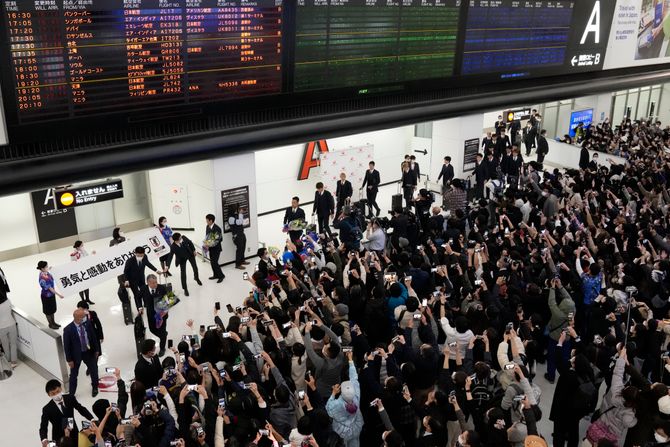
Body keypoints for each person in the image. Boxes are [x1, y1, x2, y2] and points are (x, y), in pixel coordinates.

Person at [39, 379, 94, 446]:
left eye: (58, 391)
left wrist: (91, 419)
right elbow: (43, 426)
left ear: (61, 388)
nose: (56, 394)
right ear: (49, 394)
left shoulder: (70, 398)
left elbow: (80, 408)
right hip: (59, 437)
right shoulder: (47, 409)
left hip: (73, 432)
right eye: (53, 393)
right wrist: (44, 439)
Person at [62, 308, 101, 396]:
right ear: (77, 318)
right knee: (73, 375)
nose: (85, 317)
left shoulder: (88, 324)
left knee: (94, 370)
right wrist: (69, 360)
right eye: (83, 317)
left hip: (88, 352)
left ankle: (95, 386)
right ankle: (71, 394)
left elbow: (93, 337)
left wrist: (97, 349)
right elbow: (66, 346)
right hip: (76, 355)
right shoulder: (68, 330)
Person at [140, 274, 168, 357]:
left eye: (156, 282)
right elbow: (138, 297)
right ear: (148, 282)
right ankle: (164, 335)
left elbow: (167, 299)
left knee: (162, 332)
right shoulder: (143, 289)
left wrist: (166, 309)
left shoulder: (161, 288)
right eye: (153, 283)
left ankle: (162, 347)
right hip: (151, 315)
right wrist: (139, 307)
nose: (155, 284)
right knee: (152, 329)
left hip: (162, 315)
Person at [171, 232, 202, 296]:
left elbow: (190, 243)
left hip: (190, 255)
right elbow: (170, 256)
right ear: (176, 240)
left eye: (181, 237)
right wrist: (167, 266)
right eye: (180, 238)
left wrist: (193, 250)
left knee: (195, 267)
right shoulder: (173, 246)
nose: (181, 238)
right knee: (183, 274)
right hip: (182, 259)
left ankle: (196, 278)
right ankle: (185, 289)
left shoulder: (183, 237)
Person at [0, 265, 17, 368]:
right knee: (13, 343)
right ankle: (14, 361)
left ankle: (8, 360)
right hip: (11, 324)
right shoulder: (8, 302)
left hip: (1, 328)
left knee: (5, 345)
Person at [38, 261, 63, 330]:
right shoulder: (42, 278)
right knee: (48, 311)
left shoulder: (46, 273)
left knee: (52, 309)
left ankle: (53, 322)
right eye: (46, 267)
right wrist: (59, 295)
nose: (47, 267)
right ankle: (50, 324)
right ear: (42, 268)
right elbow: (50, 288)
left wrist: (52, 269)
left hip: (51, 295)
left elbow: (52, 277)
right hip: (46, 296)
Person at [70, 240, 95, 305]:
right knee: (81, 287)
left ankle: (87, 299)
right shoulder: (74, 254)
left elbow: (87, 257)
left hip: (84, 271)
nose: (83, 246)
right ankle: (83, 301)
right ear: (78, 247)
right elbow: (72, 263)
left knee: (86, 286)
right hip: (78, 272)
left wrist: (92, 254)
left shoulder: (83, 251)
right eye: (81, 245)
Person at [205, 213, 225, 282]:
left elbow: (219, 239)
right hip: (210, 248)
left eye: (207, 220)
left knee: (215, 263)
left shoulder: (217, 228)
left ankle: (221, 276)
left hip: (216, 248)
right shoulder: (207, 226)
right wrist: (206, 244)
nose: (206, 221)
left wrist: (209, 243)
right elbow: (207, 236)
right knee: (212, 262)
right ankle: (215, 275)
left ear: (211, 221)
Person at [228, 204, 248, 270]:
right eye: (235, 208)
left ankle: (242, 260)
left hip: (241, 234)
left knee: (243, 247)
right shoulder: (230, 218)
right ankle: (238, 264)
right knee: (239, 249)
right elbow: (239, 222)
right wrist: (240, 214)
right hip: (237, 236)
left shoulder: (235, 215)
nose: (236, 209)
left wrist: (240, 214)